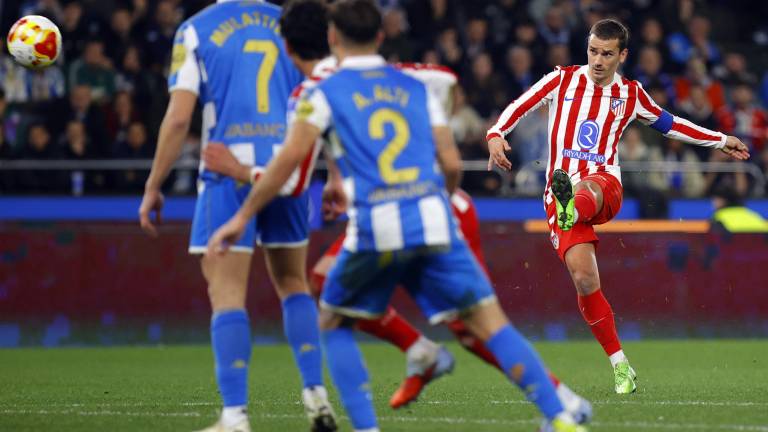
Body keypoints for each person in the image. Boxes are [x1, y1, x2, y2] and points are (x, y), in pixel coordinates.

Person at [207, 1, 590, 431]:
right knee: (491, 323)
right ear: (382, 36)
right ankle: (562, 417)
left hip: (377, 227)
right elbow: (450, 165)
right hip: (433, 218)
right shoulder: (413, 86)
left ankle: (368, 426)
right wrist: (432, 199)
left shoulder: (317, 93)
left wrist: (241, 216)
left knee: (332, 320)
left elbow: (289, 165)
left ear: (334, 38)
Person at [487, 18, 750, 394]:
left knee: (588, 189)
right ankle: (621, 365)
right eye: (593, 51)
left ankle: (572, 206)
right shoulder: (561, 80)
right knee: (585, 279)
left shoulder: (631, 94)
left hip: (602, 186)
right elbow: (520, 104)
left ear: (622, 55)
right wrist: (496, 134)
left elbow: (670, 124)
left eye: (607, 54)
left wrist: (720, 139)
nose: (597, 60)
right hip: (559, 192)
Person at [138, 1, 337, 431]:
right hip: (286, 169)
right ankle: (315, 393)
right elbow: (326, 98)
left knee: (227, 294)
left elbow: (177, 120)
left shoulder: (195, 30)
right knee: (293, 283)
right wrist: (334, 173)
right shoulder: (285, 23)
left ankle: (234, 416)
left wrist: (154, 184)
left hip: (227, 171)